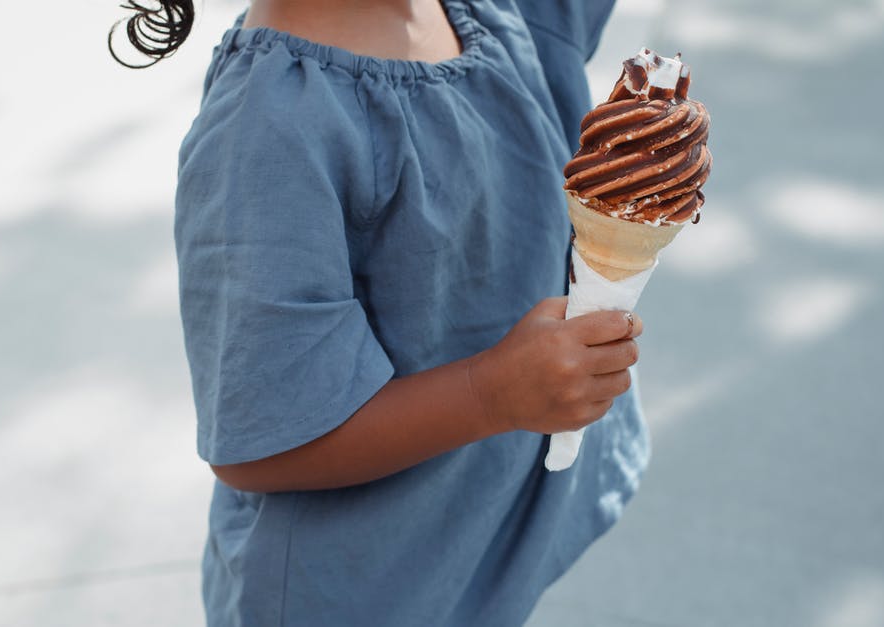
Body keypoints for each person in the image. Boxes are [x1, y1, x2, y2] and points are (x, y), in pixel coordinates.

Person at [111, 1, 649, 624]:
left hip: (474, 552)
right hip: (361, 593)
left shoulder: (480, 10)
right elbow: (255, 449)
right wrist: (491, 394)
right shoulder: (269, 127)